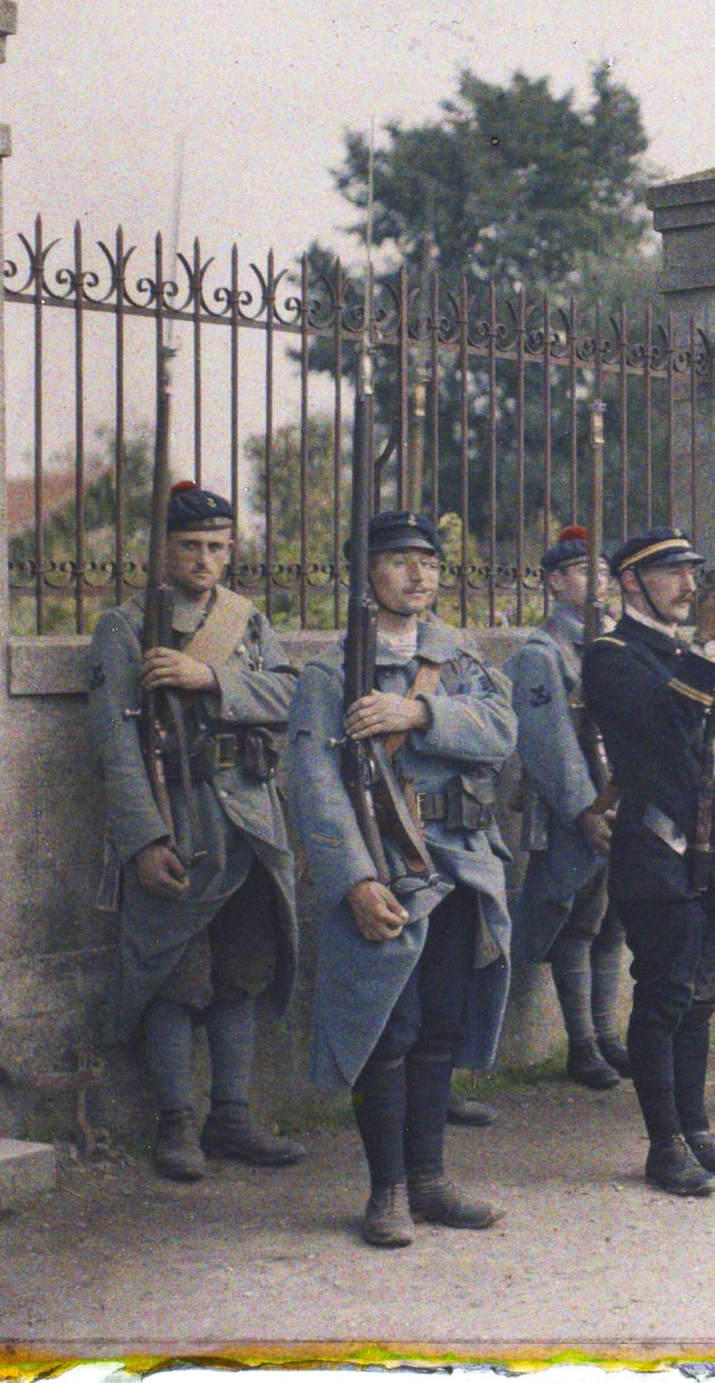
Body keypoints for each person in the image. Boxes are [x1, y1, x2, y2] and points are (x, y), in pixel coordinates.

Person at [286, 510, 516, 1246]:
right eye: (397, 560)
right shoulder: (332, 671)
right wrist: (353, 879)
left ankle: (430, 1179)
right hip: (386, 868)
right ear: (366, 575)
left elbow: (503, 732)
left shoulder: (462, 660)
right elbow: (315, 784)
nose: (417, 574)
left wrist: (418, 710)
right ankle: (385, 1189)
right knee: (390, 1025)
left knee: (441, 1022)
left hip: (462, 862)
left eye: (428, 561)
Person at [87, 480, 305, 1183]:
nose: (204, 559)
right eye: (190, 546)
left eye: (216, 546)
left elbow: (292, 695)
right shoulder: (124, 627)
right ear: (163, 549)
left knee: (241, 969)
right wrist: (144, 840)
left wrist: (207, 675)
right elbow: (113, 745)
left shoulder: (249, 621)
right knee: (173, 971)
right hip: (178, 816)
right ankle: (176, 1119)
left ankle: (232, 1115)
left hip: (248, 818)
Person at [581, 527, 715, 1196]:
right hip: (656, 850)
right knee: (663, 997)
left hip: (712, 846)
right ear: (631, 582)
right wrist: (711, 644)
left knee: (700, 998)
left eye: (692, 571)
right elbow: (667, 730)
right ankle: (665, 1146)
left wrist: (705, 648)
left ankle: (697, 1130)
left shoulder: (677, 650)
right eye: (671, 573)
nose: (689, 585)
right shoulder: (612, 655)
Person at [505, 526, 630, 1091]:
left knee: (614, 922)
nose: (597, 582)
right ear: (555, 582)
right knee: (575, 922)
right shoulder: (541, 653)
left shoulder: (619, 642)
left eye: (603, 573)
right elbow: (550, 741)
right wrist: (584, 810)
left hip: (627, 802)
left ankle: (609, 1036)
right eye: (583, 572)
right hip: (574, 808)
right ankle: (581, 1044)